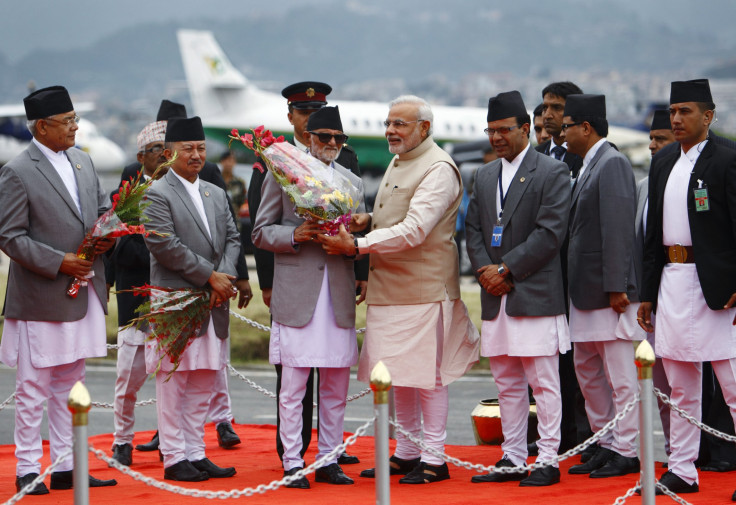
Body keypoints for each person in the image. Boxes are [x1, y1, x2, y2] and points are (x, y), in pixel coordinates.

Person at [320, 95, 479, 484]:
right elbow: (398, 215)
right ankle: (407, 451)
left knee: (428, 376)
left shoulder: (439, 167)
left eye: (400, 124)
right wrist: (368, 218)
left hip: (423, 289)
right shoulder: (401, 157)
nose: (390, 131)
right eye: (388, 123)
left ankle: (435, 457)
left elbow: (416, 228)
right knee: (397, 375)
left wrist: (357, 245)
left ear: (424, 128)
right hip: (389, 286)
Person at [0, 85, 117, 494]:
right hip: (42, 295)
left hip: (83, 290)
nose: (75, 127)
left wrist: (109, 235)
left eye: (75, 120)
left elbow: (104, 212)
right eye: (68, 121)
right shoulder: (18, 170)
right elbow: (10, 236)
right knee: (33, 387)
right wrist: (58, 261)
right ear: (43, 126)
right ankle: (28, 469)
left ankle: (68, 465)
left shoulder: (83, 161)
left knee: (73, 382)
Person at [248, 81, 362, 465]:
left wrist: (354, 235)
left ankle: (330, 458)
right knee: (294, 386)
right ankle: (293, 460)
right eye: (324, 135)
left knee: (335, 384)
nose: (331, 142)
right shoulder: (282, 172)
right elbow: (260, 231)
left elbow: (359, 233)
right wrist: (296, 234)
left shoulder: (352, 183)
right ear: (308, 136)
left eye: (337, 137)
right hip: (299, 291)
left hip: (338, 293)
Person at [130, 100, 249, 454]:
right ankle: (173, 455)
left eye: (200, 148)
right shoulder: (157, 193)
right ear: (169, 153)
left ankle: (196, 452)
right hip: (177, 299)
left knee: (205, 379)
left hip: (213, 302)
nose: (196, 155)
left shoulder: (214, 192)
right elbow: (164, 245)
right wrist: (210, 277)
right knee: (174, 382)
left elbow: (232, 237)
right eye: (187, 149)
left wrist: (224, 277)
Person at [465, 91, 570, 487]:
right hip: (496, 296)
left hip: (534, 293)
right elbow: (472, 230)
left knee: (543, 381)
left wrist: (506, 268)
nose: (496, 138)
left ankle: (546, 458)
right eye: (490, 131)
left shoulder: (551, 172)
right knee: (506, 382)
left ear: (526, 128)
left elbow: (551, 233)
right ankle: (511, 455)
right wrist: (484, 270)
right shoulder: (484, 174)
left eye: (503, 130)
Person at [638, 79, 736, 498]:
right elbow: (651, 236)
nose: (676, 119)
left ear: (708, 116)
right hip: (673, 283)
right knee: (680, 385)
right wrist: (647, 292)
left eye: (686, 111)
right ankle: (682, 469)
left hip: (718, 287)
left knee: (732, 384)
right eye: (673, 111)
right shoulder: (662, 164)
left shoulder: (728, 160)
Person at [562, 94, 640, 478]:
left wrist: (617, 284)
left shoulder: (613, 163)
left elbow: (619, 229)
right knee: (588, 370)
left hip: (606, 292)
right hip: (583, 291)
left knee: (619, 373)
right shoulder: (588, 165)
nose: (561, 134)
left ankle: (627, 449)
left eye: (566, 126)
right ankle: (605, 442)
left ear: (586, 127)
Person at [535, 81, 590, 457]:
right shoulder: (535, 155)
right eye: (545, 107)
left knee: (579, 362)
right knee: (540, 358)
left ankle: (584, 436)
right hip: (537, 274)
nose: (549, 115)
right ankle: (545, 434)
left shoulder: (585, 157)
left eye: (557, 108)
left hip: (573, 275)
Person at [109, 121, 169, 466]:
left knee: (172, 377)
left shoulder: (182, 189)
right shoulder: (129, 196)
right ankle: (122, 440)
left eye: (167, 148)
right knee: (128, 378)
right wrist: (168, 253)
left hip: (174, 294)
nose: (164, 154)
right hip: (136, 294)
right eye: (157, 149)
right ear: (141, 157)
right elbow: (123, 250)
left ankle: (171, 441)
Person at [634, 109, 675, 466]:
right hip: (657, 299)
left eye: (660, 139)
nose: (652, 146)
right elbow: (644, 245)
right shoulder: (645, 185)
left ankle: (719, 451)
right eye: (651, 138)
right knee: (663, 385)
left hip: (699, 294)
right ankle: (679, 458)